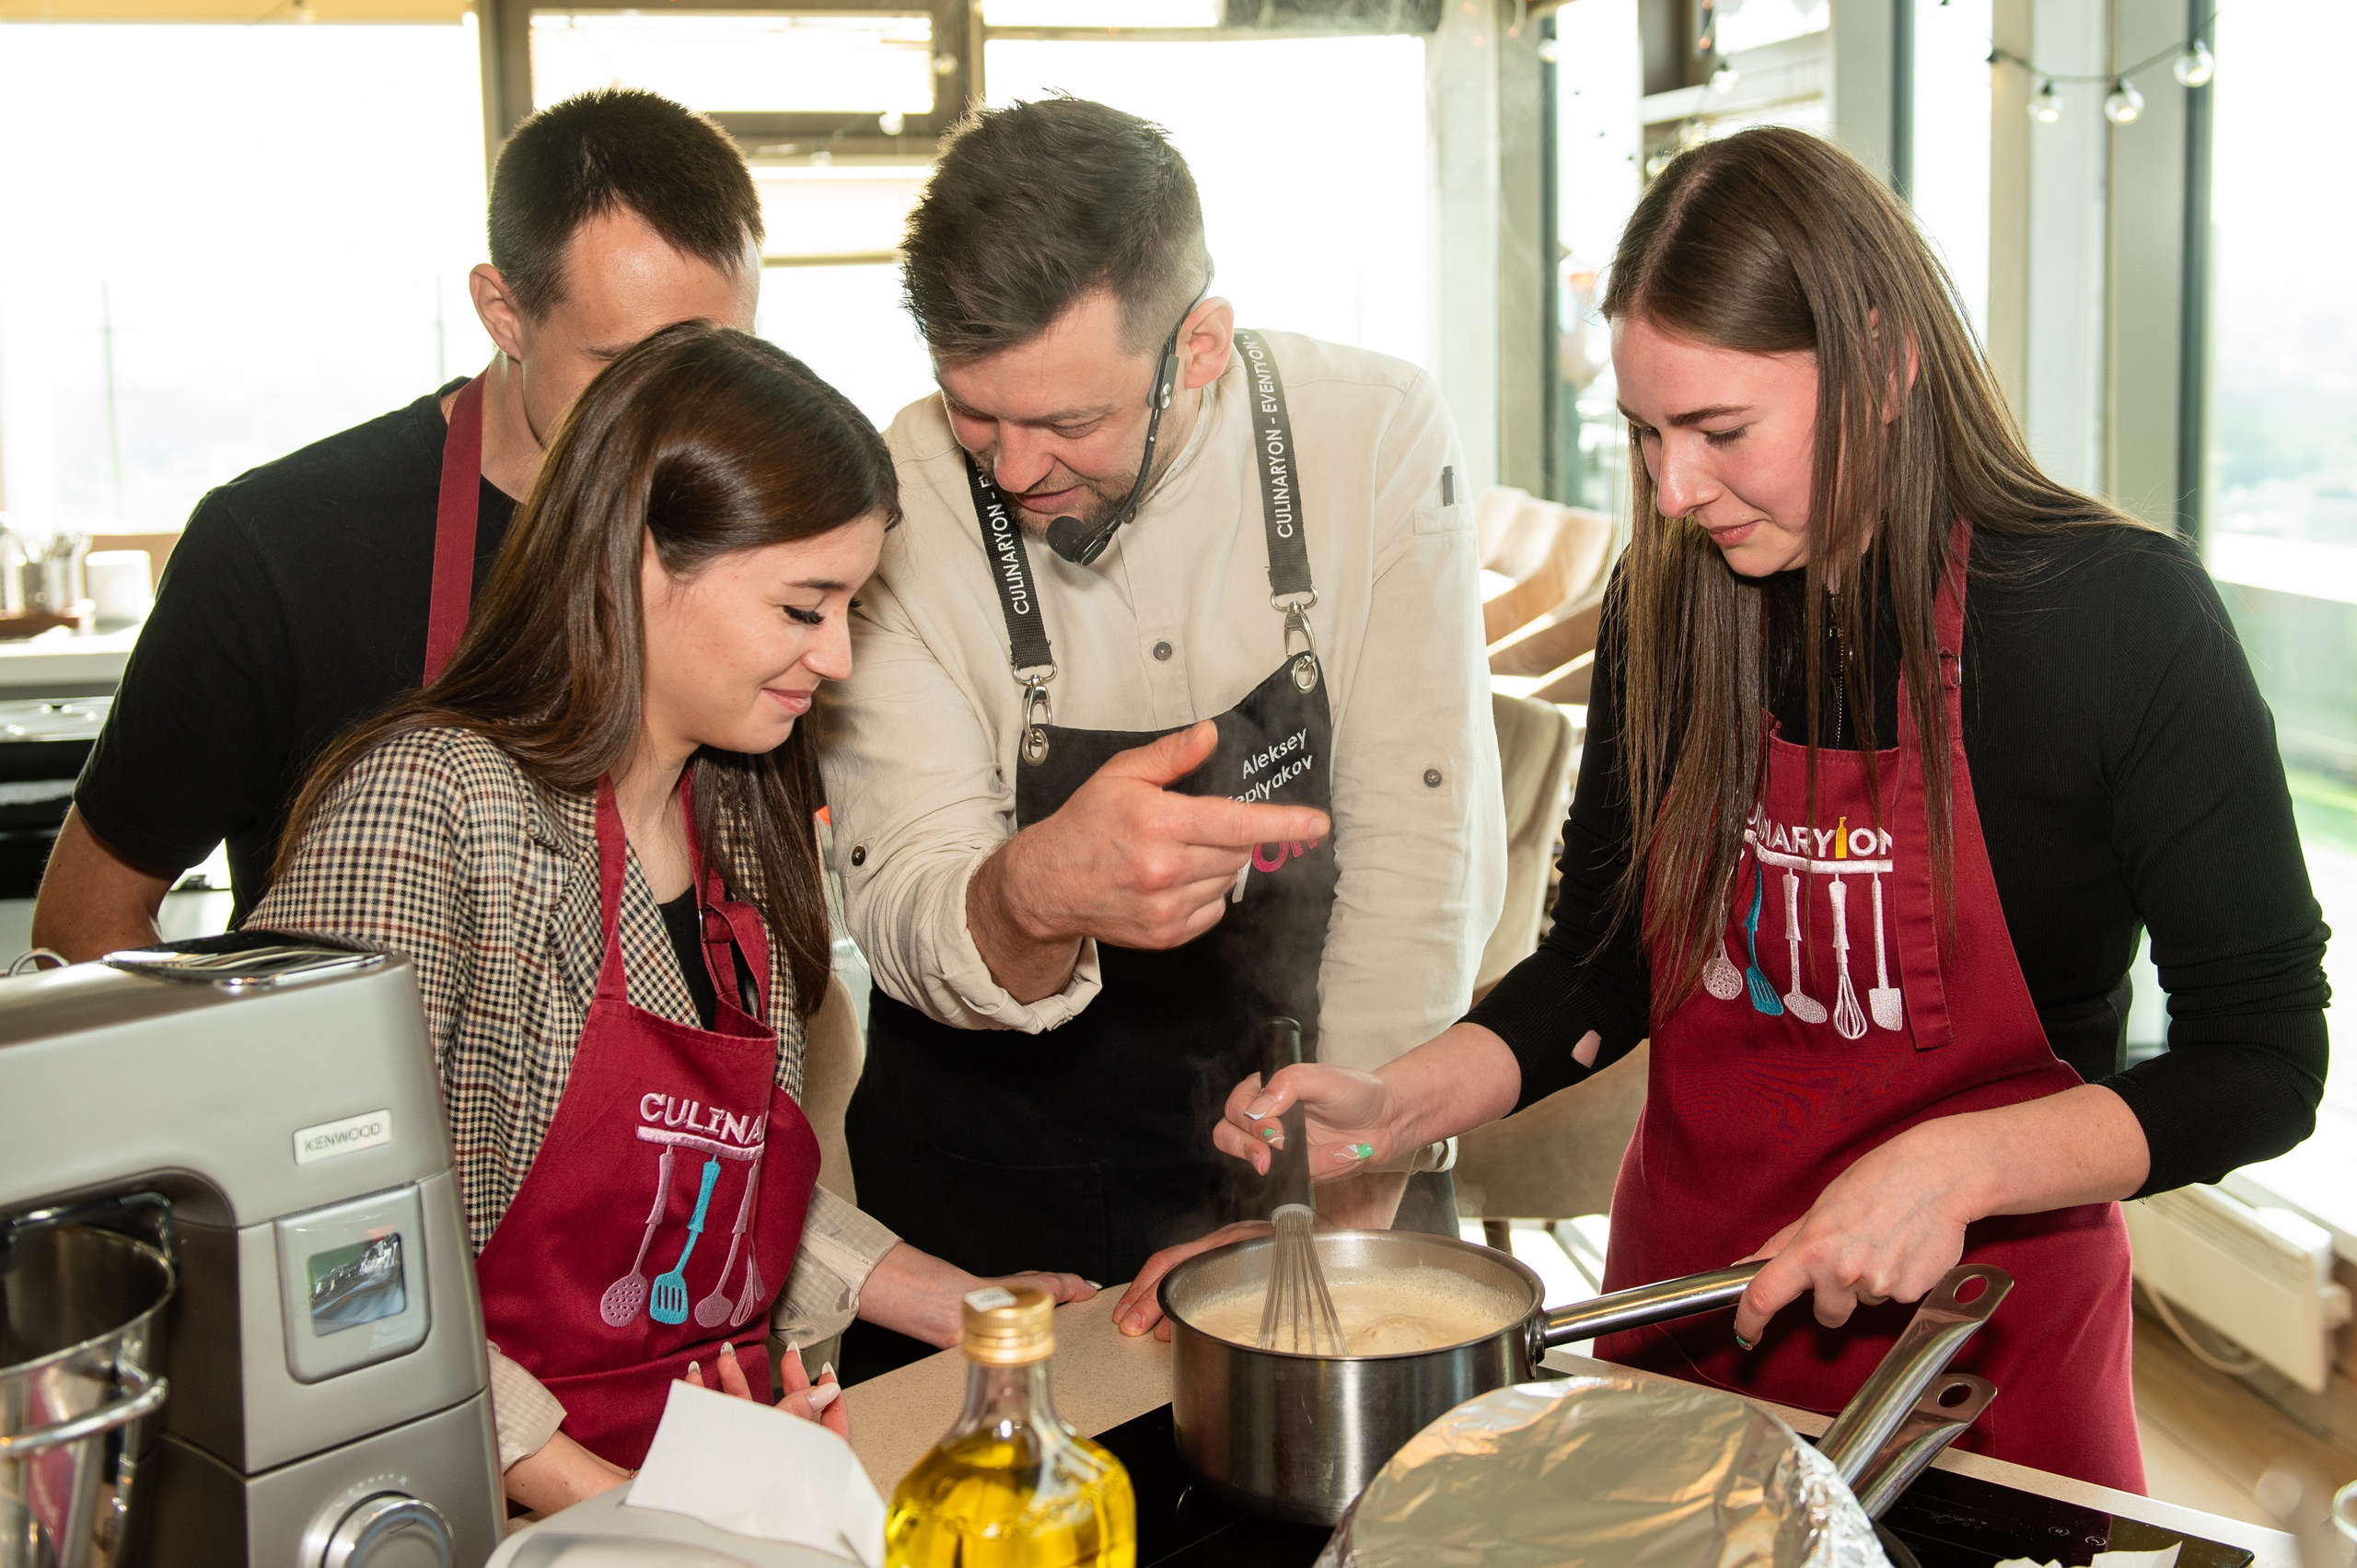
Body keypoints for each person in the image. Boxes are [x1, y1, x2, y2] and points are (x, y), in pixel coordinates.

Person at [1128, 126, 2330, 1492]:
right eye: (1645, 434)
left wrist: (1957, 1164)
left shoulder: (2110, 621)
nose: (1673, 491)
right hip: (1684, 1325)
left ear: (1884, 363)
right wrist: (1401, 1101)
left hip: (1976, 1370)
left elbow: (2265, 1057)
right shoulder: (1674, 600)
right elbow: (1606, 956)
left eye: (1719, 431)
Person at [250, 322, 1095, 1509]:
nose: (838, 656)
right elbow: (325, 1264)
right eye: (805, 606)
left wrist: (967, 1305)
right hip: (479, 1504)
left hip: (683, 1477)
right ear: (640, 562)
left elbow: (702, 1201)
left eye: (850, 606)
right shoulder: (432, 806)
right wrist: (611, 1507)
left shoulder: (733, 816)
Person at [812, 98, 1505, 1377]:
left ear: (1198, 345)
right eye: (978, 412)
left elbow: (1422, 854)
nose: (1015, 471)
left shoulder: (1375, 435)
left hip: (1315, 1142)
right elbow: (900, 898)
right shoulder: (897, 488)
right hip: (985, 1189)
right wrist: (1030, 893)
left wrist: (1321, 1211)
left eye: (1069, 423)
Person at [38, 87, 766, 959]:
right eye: (617, 365)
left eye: (711, 363)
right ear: (505, 313)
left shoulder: (759, 527)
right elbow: (86, 920)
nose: (671, 412)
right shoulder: (278, 548)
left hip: (677, 1093)